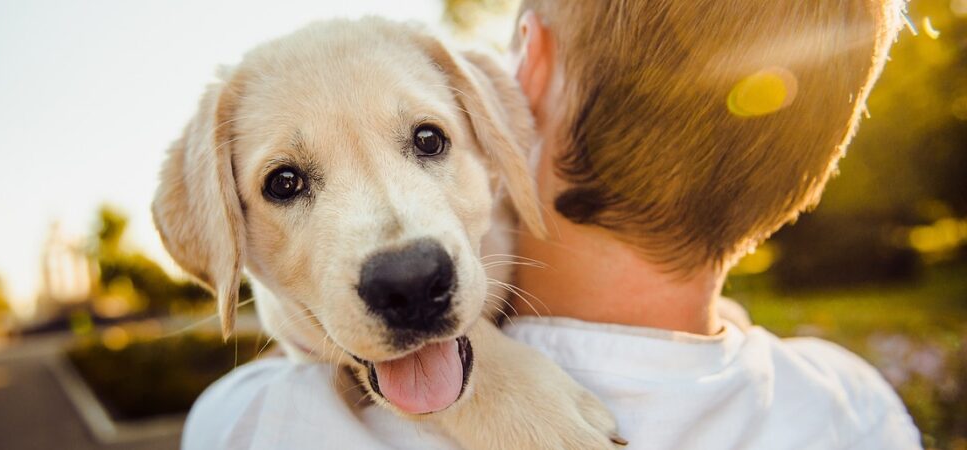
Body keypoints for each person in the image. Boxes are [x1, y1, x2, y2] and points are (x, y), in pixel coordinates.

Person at [182, 0, 922, 448]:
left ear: (525, 70)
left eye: (428, 141)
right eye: (287, 182)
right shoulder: (856, 409)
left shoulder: (251, 426)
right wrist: (483, 378)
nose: (401, 258)